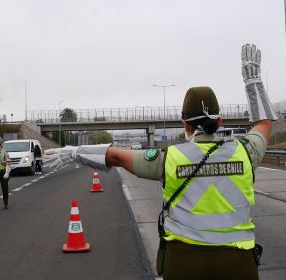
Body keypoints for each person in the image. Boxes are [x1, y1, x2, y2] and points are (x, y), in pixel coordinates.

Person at [44, 44, 276, 280]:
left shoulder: (170, 160)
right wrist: (253, 82)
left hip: (184, 263)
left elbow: (114, 155)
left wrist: (74, 152)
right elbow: (265, 122)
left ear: (184, 125)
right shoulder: (247, 152)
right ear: (220, 122)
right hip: (238, 265)